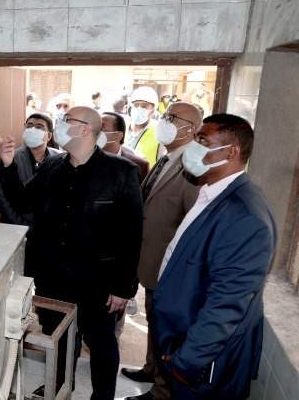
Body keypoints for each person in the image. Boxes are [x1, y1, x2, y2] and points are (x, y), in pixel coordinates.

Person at [0, 106, 143, 400]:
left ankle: (102, 395)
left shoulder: (121, 171)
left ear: (85, 129)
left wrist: (123, 288)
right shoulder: (52, 166)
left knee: (101, 344)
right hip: (53, 276)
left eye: (66, 120)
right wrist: (9, 165)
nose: (60, 125)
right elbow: (23, 200)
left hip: (99, 280)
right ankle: (61, 385)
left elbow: (132, 233)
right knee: (60, 338)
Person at [152, 114, 276, 400]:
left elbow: (227, 303)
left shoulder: (244, 214)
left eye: (203, 141)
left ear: (231, 152)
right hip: (183, 341)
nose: (193, 147)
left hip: (202, 363)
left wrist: (185, 362)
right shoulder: (215, 192)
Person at [121, 103, 202, 400]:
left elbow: (192, 223)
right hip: (152, 261)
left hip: (170, 266)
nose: (163, 121)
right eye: (165, 116)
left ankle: (162, 391)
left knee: (166, 329)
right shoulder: (168, 157)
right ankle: (150, 368)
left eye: (172, 118)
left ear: (191, 128)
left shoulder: (192, 165)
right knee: (154, 321)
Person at [0, 113, 62, 227]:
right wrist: (21, 225)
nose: (33, 129)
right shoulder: (11, 157)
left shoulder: (59, 158)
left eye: (39, 127)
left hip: (48, 228)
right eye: (29, 126)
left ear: (49, 136)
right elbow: (1, 196)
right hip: (16, 226)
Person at [101, 111, 149, 183]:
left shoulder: (139, 165)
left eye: (101, 129)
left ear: (118, 136)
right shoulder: (84, 158)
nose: (94, 132)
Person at [127, 86, 164, 168]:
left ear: (153, 110)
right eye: (136, 105)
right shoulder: (122, 126)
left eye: (144, 106)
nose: (139, 109)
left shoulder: (159, 131)